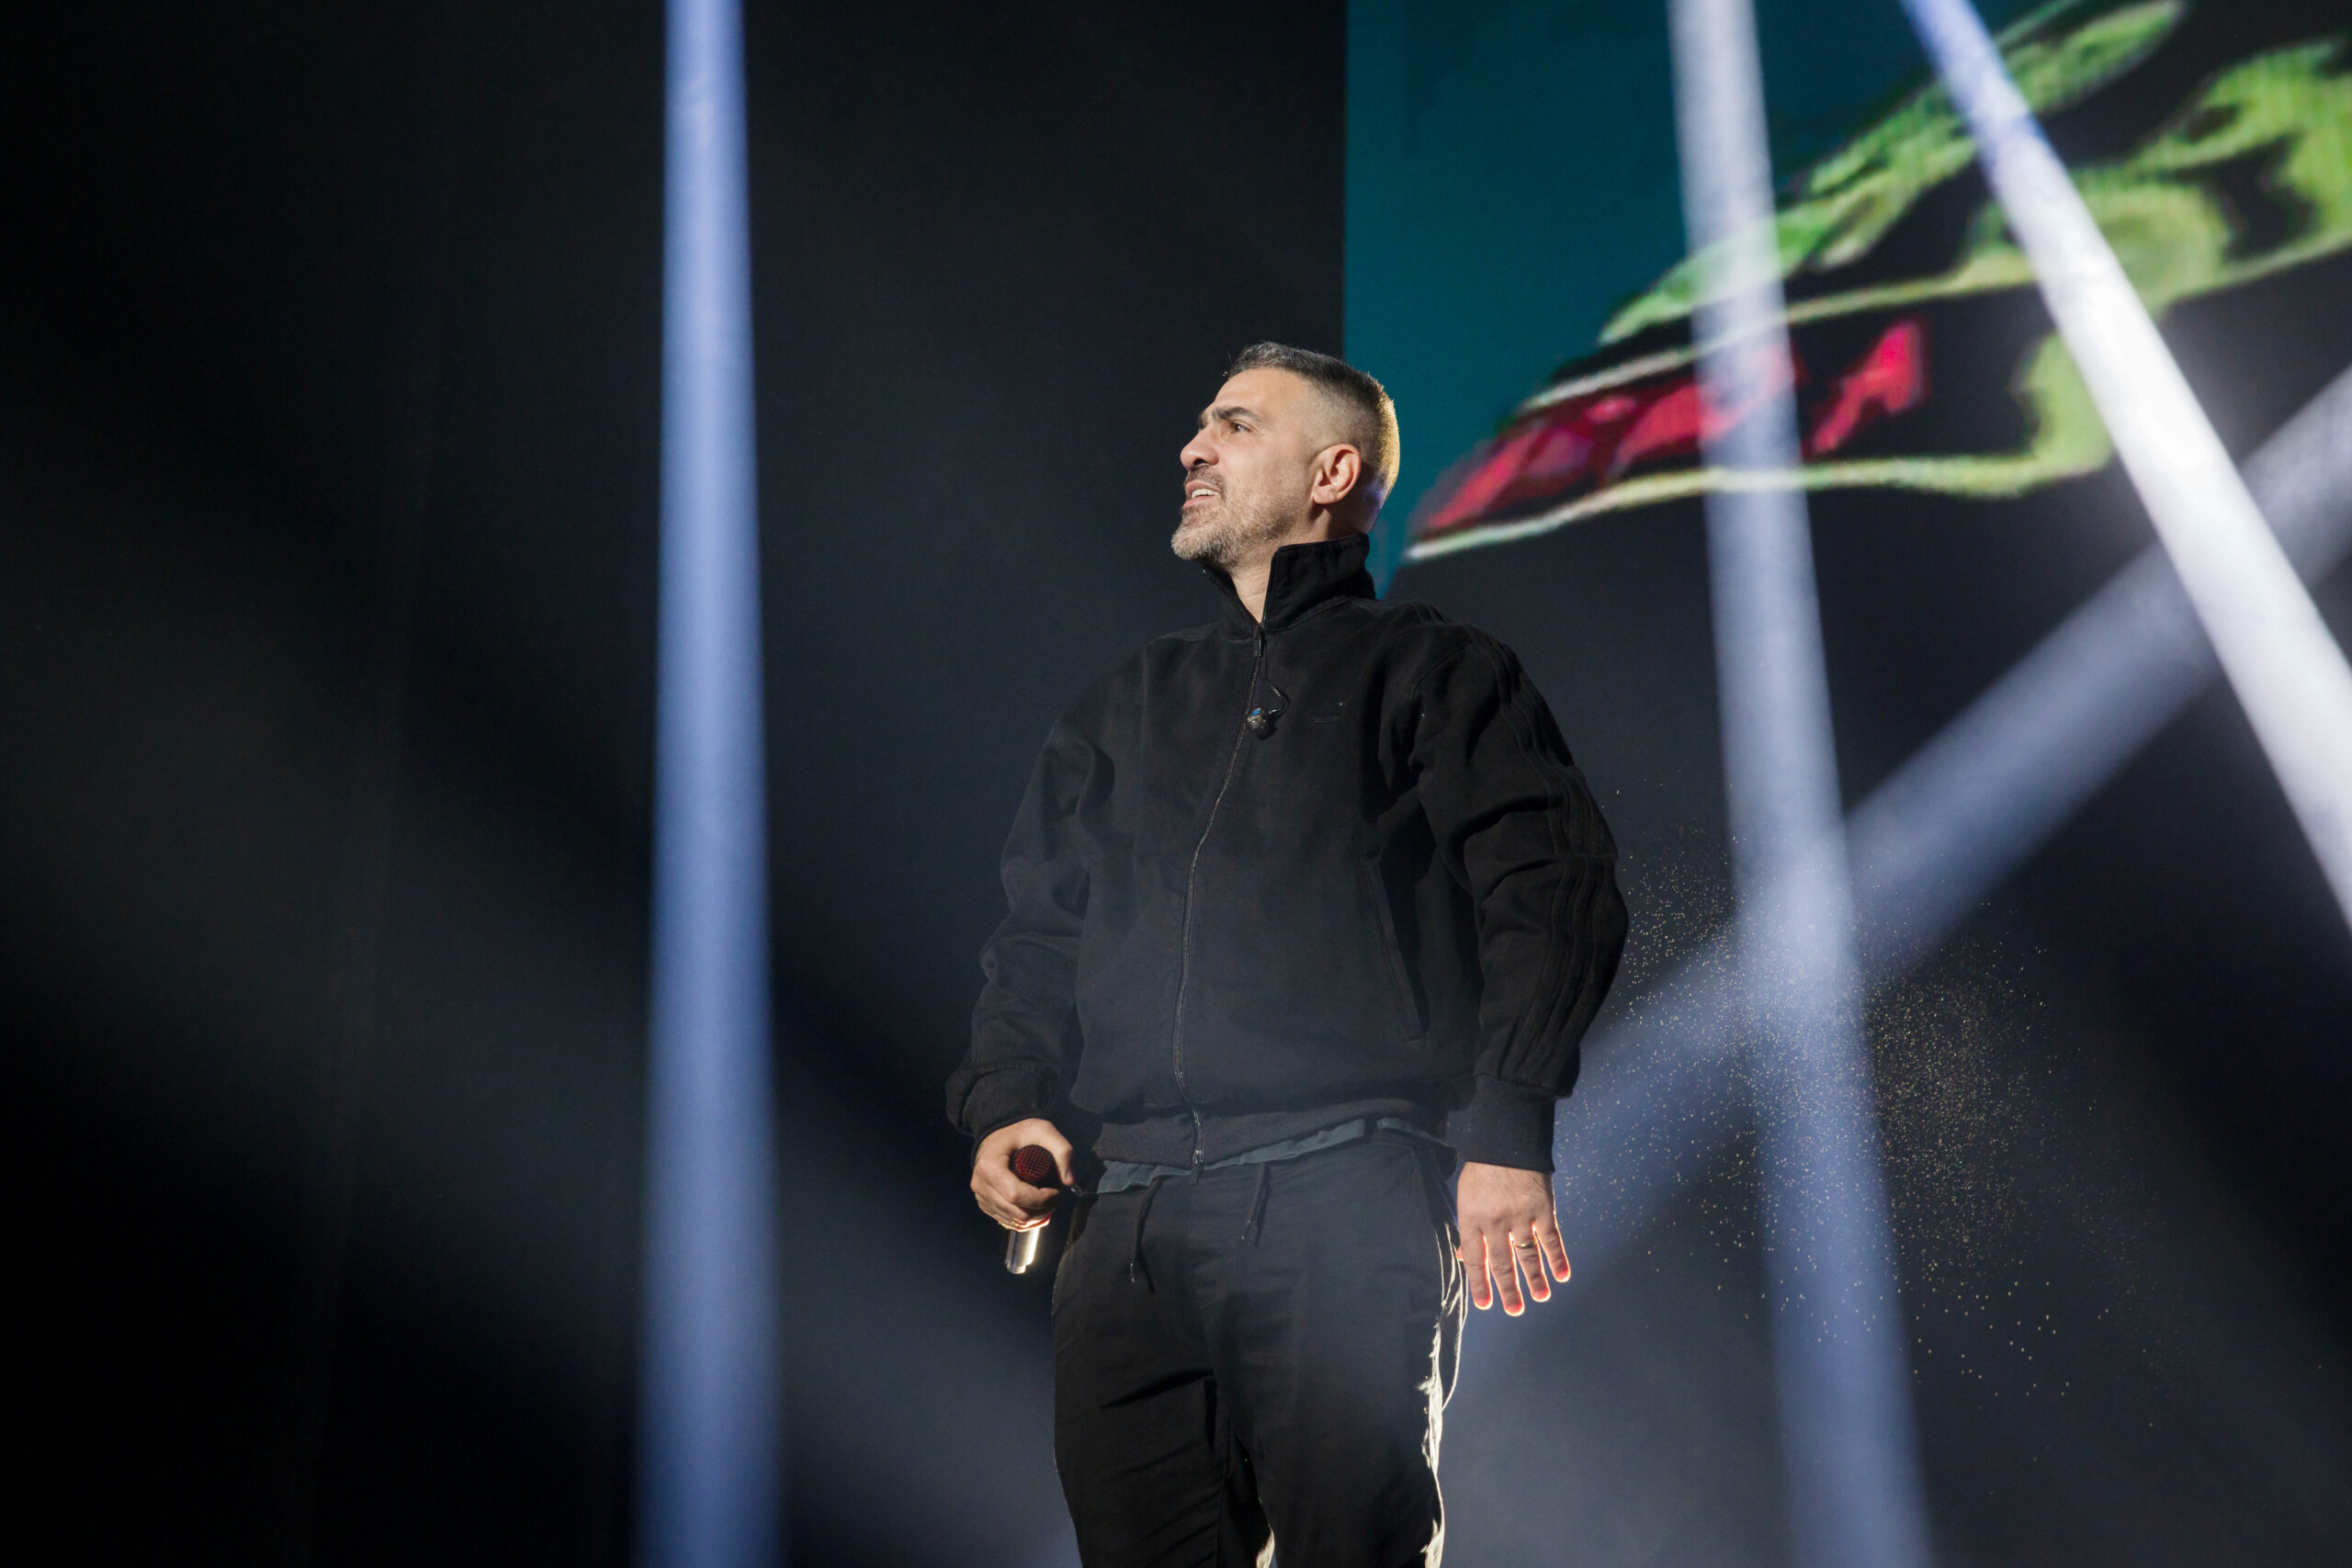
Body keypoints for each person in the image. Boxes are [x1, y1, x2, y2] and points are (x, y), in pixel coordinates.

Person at [947, 343, 1626, 1566]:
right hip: (1131, 1229)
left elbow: (1551, 891)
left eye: (1234, 425)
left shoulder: (1434, 671)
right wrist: (1005, 1105)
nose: (1191, 448)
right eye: (1202, 424)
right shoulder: (1128, 705)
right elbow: (1035, 936)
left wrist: (1507, 1130)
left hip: (1344, 1198)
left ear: (1333, 470)